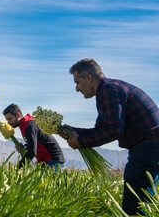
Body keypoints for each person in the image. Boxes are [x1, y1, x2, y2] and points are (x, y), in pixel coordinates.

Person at [58, 58, 159, 215]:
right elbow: (100, 129)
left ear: (89, 78)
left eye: (77, 82)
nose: (77, 89)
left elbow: (114, 130)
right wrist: (74, 131)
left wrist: (80, 141)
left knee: (134, 209)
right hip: (149, 148)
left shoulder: (109, 90)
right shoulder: (108, 90)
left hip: (147, 148)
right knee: (140, 204)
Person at [3, 104, 65, 169]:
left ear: (18, 115)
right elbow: (35, 142)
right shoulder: (25, 125)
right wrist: (24, 147)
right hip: (46, 161)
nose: (8, 122)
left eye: (10, 119)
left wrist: (18, 167)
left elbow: (32, 152)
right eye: (7, 120)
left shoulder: (29, 126)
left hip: (52, 160)